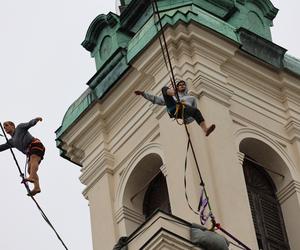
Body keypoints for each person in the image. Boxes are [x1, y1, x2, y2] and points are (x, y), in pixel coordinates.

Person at [135, 80, 215, 136]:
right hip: (173, 108)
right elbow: (156, 99)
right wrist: (143, 94)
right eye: (180, 85)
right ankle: (173, 93)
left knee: (196, 111)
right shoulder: (172, 96)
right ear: (177, 87)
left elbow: (194, 114)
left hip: (184, 110)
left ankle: (205, 129)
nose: (182, 85)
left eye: (184, 84)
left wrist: (187, 120)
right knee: (164, 89)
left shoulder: (191, 98)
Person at [0, 117, 45, 196]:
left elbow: (29, 124)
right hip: (29, 151)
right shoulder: (11, 142)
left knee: (33, 159)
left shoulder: (19, 128)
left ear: (12, 126)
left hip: (35, 144)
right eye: (4, 127)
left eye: (6, 125)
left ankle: (31, 177)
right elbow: (2, 147)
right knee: (30, 169)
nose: (5, 128)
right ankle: (37, 187)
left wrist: (36, 120)